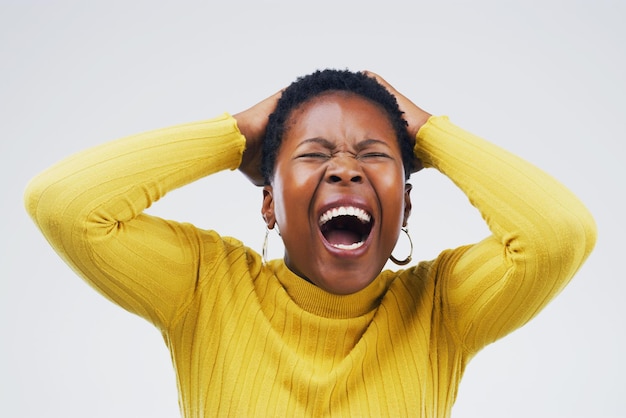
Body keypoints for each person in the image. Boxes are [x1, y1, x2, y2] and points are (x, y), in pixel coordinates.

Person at [24, 69, 597, 417]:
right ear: (269, 203)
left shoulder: (441, 307)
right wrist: (237, 134)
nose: (345, 170)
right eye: (315, 154)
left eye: (373, 155)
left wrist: (428, 132)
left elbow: (559, 235)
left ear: (406, 207)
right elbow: (65, 205)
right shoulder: (205, 285)